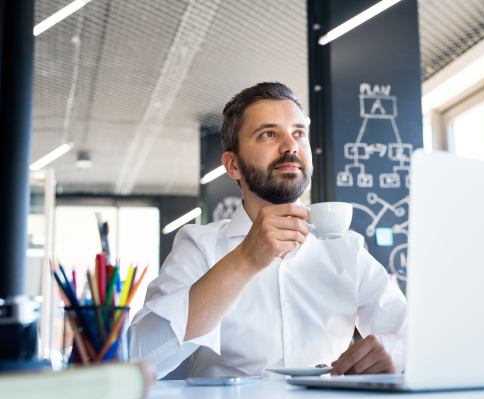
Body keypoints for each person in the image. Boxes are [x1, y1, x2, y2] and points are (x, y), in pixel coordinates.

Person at [130, 82, 407, 379]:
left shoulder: (347, 249)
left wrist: (399, 349)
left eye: (299, 133)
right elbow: (140, 358)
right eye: (268, 134)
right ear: (233, 165)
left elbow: (415, 336)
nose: (291, 146)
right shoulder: (200, 245)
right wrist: (244, 260)